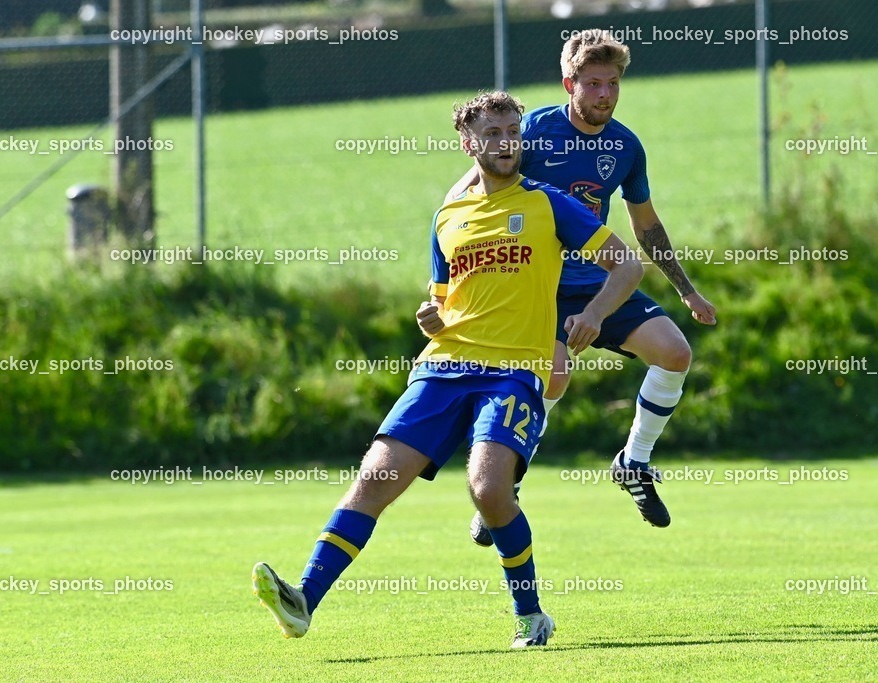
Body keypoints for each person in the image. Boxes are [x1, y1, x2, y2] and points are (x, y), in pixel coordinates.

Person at [253, 91, 643, 649]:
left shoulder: (548, 203)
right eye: (493, 132)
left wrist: (594, 313)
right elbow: (443, 303)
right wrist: (431, 319)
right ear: (469, 143)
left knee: (488, 489)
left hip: (512, 371)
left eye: (514, 130)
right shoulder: (448, 216)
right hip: (443, 368)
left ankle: (530, 616)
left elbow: (627, 265)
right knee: (372, 482)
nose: (506, 140)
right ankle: (302, 603)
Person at [431, 29, 717, 539]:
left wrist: (686, 289)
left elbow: (645, 225)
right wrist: (450, 272)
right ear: (570, 83)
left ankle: (634, 462)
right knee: (555, 376)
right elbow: (469, 192)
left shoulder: (626, 146)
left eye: (612, 83)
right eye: (593, 83)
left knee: (675, 354)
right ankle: (505, 485)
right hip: (537, 285)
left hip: (600, 282)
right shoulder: (532, 131)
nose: (604, 94)